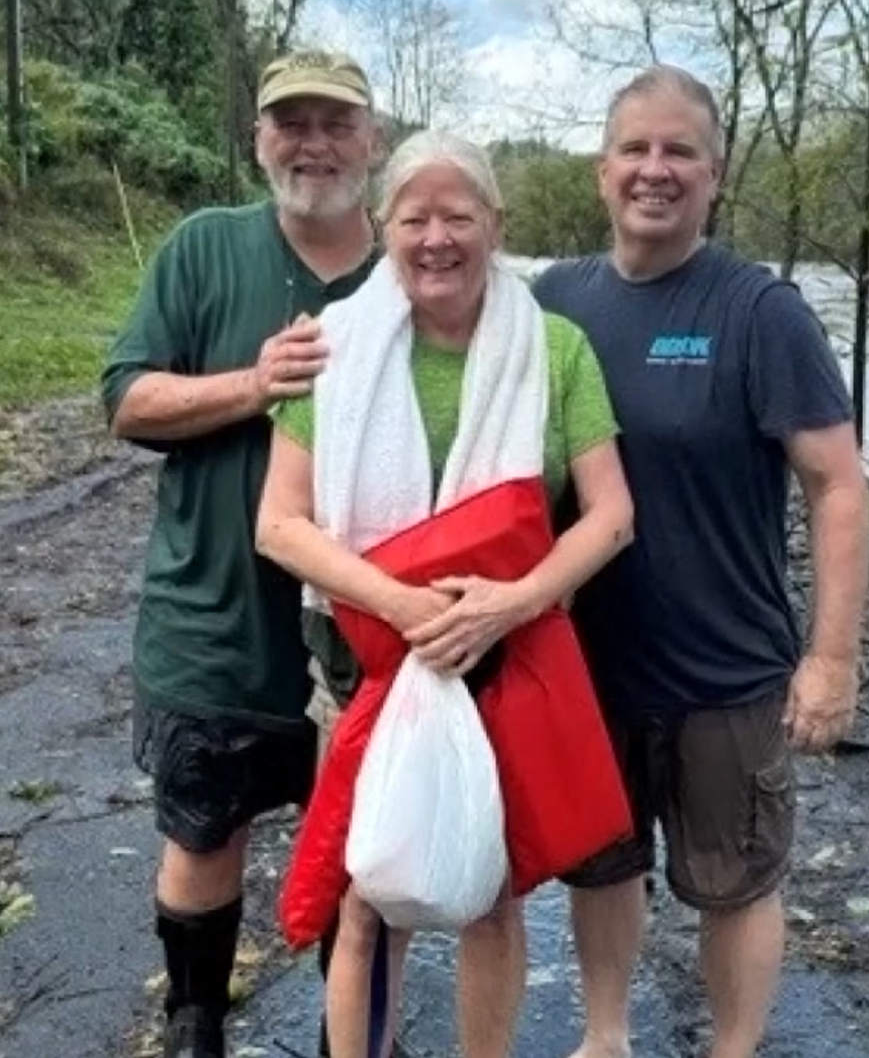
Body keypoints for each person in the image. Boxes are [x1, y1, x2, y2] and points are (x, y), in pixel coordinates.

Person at [256, 130, 635, 1058]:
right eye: (414, 216)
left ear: (495, 225)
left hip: (497, 664)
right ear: (384, 226)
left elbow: (610, 515)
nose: (436, 238)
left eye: (457, 216)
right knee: (363, 896)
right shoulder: (333, 347)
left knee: (487, 896)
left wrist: (513, 602)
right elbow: (279, 524)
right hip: (364, 664)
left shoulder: (552, 349)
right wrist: (399, 605)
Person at [532, 65, 869, 1058]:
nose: (655, 170)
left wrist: (833, 661)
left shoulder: (760, 312)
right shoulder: (556, 304)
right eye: (635, 148)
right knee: (600, 865)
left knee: (737, 879)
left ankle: (732, 1047)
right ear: (602, 170)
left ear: (715, 174)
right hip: (588, 668)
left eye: (679, 150)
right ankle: (605, 1037)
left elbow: (839, 486)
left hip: (726, 675)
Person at [101, 50, 381, 1058]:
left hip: (365, 630)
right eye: (290, 122)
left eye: (336, 122)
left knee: (361, 852)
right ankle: (194, 1020)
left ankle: (351, 1032)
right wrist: (254, 384)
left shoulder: (407, 273)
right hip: (210, 619)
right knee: (204, 832)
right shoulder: (202, 248)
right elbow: (127, 399)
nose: (313, 143)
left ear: (373, 140)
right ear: (258, 139)